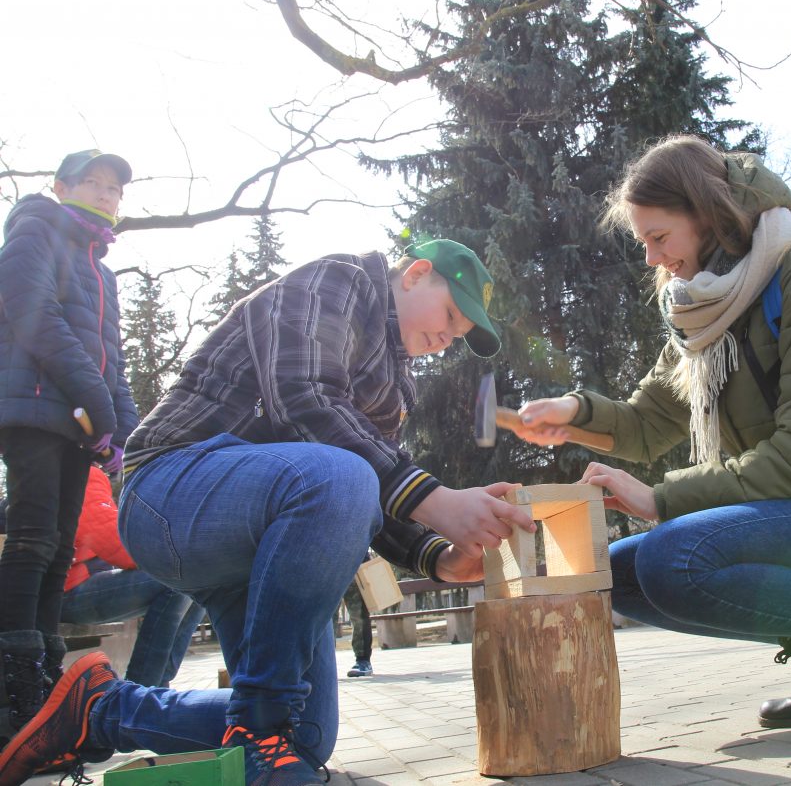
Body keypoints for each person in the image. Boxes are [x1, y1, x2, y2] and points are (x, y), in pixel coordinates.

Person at [0, 239, 535, 786]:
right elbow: (302, 397)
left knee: (306, 736)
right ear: (416, 274)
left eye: (459, 336)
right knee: (339, 474)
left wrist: (439, 557)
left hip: (258, 547)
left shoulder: (396, 384)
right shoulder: (344, 281)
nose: (446, 338)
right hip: (169, 489)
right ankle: (260, 723)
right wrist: (439, 500)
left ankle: (100, 712)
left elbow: (369, 492)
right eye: (450, 315)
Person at [509, 135, 791, 739]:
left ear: (706, 216)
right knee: (621, 575)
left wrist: (662, 499)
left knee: (674, 559)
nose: (652, 259)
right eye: (643, 243)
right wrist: (574, 411)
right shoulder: (707, 307)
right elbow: (650, 423)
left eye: (658, 238)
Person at [0, 150, 137, 741]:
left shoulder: (101, 269)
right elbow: (36, 320)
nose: (105, 195)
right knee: (31, 538)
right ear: (60, 186)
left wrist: (123, 426)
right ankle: (15, 681)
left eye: (114, 189)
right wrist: (97, 402)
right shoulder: (34, 235)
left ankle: (49, 678)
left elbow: (115, 359)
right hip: (32, 408)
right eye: (93, 183)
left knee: (59, 547)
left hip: (81, 423)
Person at [57, 466, 206, 687]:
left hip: (65, 588)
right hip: (67, 591)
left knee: (202, 581)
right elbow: (111, 538)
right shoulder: (82, 473)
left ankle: (159, 684)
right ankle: (140, 689)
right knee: (178, 578)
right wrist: (168, 558)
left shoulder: (60, 469)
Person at [343, 568, 374, 678]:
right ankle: (324, 665)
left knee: (359, 616)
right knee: (325, 619)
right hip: (325, 568)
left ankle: (363, 661)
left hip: (353, 568)